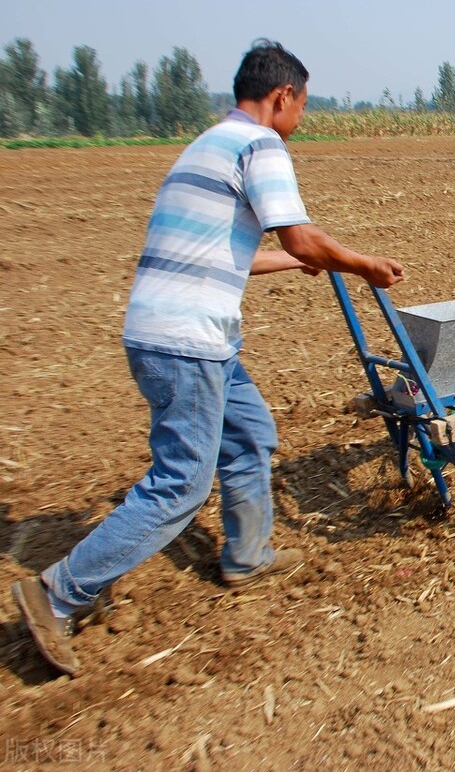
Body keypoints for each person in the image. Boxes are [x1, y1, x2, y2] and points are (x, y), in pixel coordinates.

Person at [11, 40, 406, 677]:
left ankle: (247, 554)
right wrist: (362, 264)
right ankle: (59, 593)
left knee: (249, 431)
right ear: (282, 98)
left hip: (178, 333)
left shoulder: (206, 145)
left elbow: (241, 253)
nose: (299, 121)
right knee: (183, 483)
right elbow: (301, 234)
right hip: (184, 339)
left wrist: (300, 260)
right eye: (301, 107)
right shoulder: (261, 146)